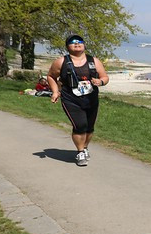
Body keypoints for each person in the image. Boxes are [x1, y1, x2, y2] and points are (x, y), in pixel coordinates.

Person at [46, 34, 109, 166]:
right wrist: (55, 92)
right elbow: (51, 76)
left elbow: (104, 76)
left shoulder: (94, 61)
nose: (77, 44)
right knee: (79, 125)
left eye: (80, 42)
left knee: (89, 127)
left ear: (84, 45)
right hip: (71, 99)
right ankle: (80, 151)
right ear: (67, 46)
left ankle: (85, 147)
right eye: (72, 42)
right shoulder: (61, 62)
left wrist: (101, 81)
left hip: (91, 99)